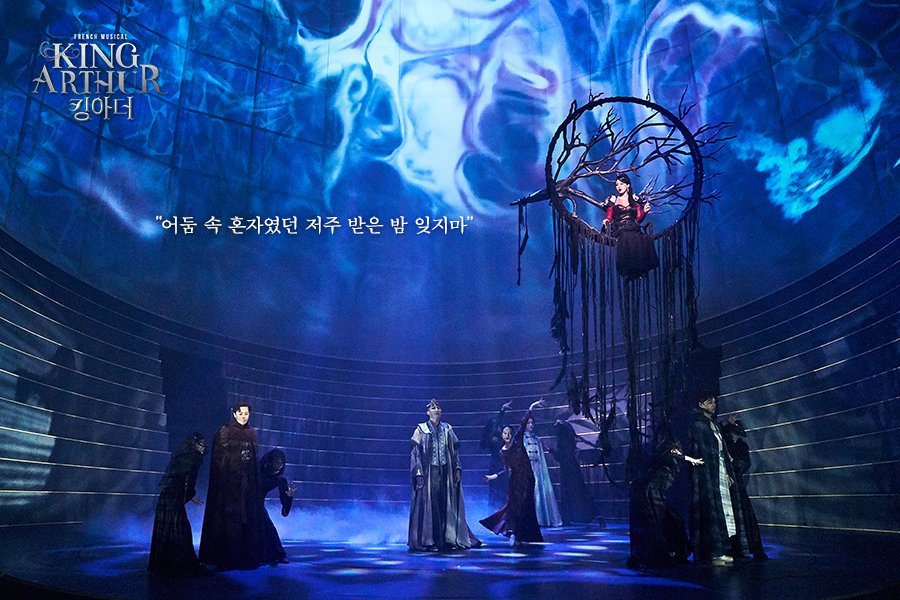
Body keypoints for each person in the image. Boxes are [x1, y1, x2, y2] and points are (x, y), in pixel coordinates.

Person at [199, 403, 266, 570]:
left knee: (246, 518)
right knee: (229, 520)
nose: (244, 416)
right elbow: (219, 460)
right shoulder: (226, 431)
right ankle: (227, 558)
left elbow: (254, 460)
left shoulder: (252, 433)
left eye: (246, 413)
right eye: (241, 413)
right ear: (234, 414)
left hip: (247, 484)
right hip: (229, 485)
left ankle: (246, 556)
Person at [408, 399, 481, 551]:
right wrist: (418, 473)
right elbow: (415, 454)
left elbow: (454, 453)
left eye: (438, 407)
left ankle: (448, 538)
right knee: (431, 505)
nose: (436, 410)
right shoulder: (421, 429)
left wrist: (457, 469)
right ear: (428, 412)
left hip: (445, 471)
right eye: (433, 408)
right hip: (429, 473)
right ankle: (430, 540)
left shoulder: (447, 429)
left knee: (446, 504)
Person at [687, 393, 748, 566]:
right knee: (711, 510)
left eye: (714, 402)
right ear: (701, 405)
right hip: (708, 475)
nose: (713, 405)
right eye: (709, 402)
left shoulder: (711, 424)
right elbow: (702, 451)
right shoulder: (698, 425)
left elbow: (719, 446)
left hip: (719, 471)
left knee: (723, 510)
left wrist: (726, 472)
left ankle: (722, 549)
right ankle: (713, 552)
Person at [628, 439, 702, 568]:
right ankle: (653, 556)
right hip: (650, 496)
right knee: (654, 525)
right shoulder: (664, 459)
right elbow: (673, 456)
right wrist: (691, 459)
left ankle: (668, 553)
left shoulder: (667, 464)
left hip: (656, 496)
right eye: (676, 450)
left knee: (667, 522)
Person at [148, 432, 207, 575]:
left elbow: (179, 478)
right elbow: (188, 480)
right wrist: (189, 496)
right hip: (173, 496)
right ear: (194, 444)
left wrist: (189, 496)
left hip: (168, 495)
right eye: (201, 444)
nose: (204, 447)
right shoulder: (193, 458)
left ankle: (166, 563)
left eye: (204, 445)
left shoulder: (184, 456)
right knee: (180, 529)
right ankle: (179, 564)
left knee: (167, 529)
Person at [480, 415, 543, 545]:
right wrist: (492, 477)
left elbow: (522, 424)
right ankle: (514, 533)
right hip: (515, 482)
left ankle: (523, 534)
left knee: (527, 507)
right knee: (515, 507)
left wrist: (531, 409)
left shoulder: (518, 442)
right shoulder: (502, 452)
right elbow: (506, 470)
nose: (507, 435)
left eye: (509, 432)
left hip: (528, 479)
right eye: (505, 433)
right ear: (502, 435)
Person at [720, 416, 767, 560]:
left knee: (744, 515)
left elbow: (746, 463)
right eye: (732, 433)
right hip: (726, 485)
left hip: (738, 485)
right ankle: (732, 547)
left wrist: (735, 464)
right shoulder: (724, 444)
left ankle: (750, 547)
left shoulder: (741, 446)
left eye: (737, 433)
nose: (735, 436)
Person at [601, 173, 659, 279]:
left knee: (643, 238)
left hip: (633, 227)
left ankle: (640, 269)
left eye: (621, 184)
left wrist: (645, 211)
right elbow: (609, 215)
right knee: (626, 237)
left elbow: (638, 219)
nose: (618, 187)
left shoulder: (634, 200)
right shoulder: (613, 200)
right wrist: (606, 220)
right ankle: (629, 271)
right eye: (617, 185)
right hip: (620, 228)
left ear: (627, 185)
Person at [522, 399, 562, 528]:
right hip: (526, 471)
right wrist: (532, 406)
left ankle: (540, 519)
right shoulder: (520, 438)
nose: (531, 425)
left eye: (532, 423)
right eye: (528, 423)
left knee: (539, 494)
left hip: (537, 470)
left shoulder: (537, 439)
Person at [548, 419, 595, 524]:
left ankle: (571, 517)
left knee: (569, 492)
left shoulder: (563, 441)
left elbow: (561, 457)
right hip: (573, 468)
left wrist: (551, 450)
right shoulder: (569, 440)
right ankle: (584, 515)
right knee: (578, 491)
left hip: (567, 469)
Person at [259, 449, 296, 566]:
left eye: (281, 462)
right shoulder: (257, 471)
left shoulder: (280, 479)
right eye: (276, 461)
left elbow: (284, 509)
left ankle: (279, 554)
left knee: (268, 527)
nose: (279, 464)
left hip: (257, 504)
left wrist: (289, 496)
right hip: (245, 501)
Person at [480, 401, 512, 510]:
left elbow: (498, 422)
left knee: (503, 490)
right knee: (495, 490)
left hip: (502, 465)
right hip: (496, 465)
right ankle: (495, 511)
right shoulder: (491, 439)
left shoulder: (499, 437)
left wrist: (502, 410)